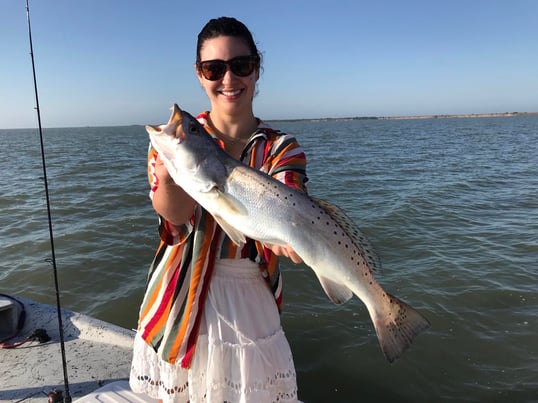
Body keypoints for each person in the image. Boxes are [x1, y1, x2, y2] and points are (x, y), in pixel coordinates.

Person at [129, 17, 308, 402]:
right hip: (178, 294)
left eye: (241, 66)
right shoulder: (175, 140)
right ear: (199, 74)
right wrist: (172, 172)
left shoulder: (281, 146)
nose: (229, 79)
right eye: (214, 68)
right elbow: (174, 219)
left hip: (250, 300)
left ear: (257, 69)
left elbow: (290, 197)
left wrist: (290, 237)